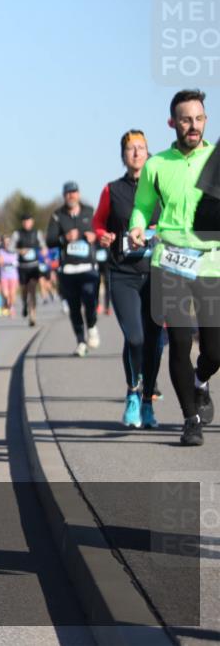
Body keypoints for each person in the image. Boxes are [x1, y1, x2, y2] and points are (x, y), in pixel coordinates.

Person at [130, 89, 217, 446]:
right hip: (170, 260)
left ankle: (200, 380)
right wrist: (137, 226)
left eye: (198, 118)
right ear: (172, 122)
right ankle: (190, 419)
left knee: (214, 349)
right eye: (186, 119)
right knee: (180, 341)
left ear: (205, 121)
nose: (192, 126)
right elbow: (142, 206)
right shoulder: (156, 164)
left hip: (211, 259)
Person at [94, 129, 164, 429]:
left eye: (141, 147)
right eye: (130, 148)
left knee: (155, 343)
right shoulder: (112, 190)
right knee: (134, 338)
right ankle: (133, 392)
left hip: (156, 271)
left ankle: (147, 402)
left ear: (148, 153)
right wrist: (103, 235)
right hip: (123, 272)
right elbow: (98, 222)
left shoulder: (161, 187)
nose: (136, 153)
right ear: (123, 155)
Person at [47, 181, 100, 357]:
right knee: (74, 307)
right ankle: (80, 342)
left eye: (74, 192)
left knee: (90, 302)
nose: (71, 195)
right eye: (68, 193)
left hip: (88, 267)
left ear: (79, 194)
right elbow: (50, 240)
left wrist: (95, 236)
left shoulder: (89, 211)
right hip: (68, 269)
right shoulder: (57, 215)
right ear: (64, 196)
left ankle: (92, 326)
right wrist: (64, 238)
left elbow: (100, 231)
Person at [12, 214, 47, 326]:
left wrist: (43, 250)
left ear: (32, 222)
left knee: (32, 289)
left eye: (29, 221)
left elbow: (43, 246)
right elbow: (9, 247)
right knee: (24, 290)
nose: (27, 224)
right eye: (25, 221)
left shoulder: (37, 233)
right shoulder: (17, 234)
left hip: (34, 266)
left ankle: (33, 315)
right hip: (22, 267)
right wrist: (19, 250)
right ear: (22, 223)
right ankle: (24, 304)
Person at [0, 236, 19, 318]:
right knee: (6, 294)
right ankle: (6, 304)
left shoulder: (15, 252)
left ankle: (11, 308)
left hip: (14, 276)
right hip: (4, 276)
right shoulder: (0, 251)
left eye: (8, 242)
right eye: (5, 242)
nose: (7, 244)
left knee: (12, 294)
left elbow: (19, 262)